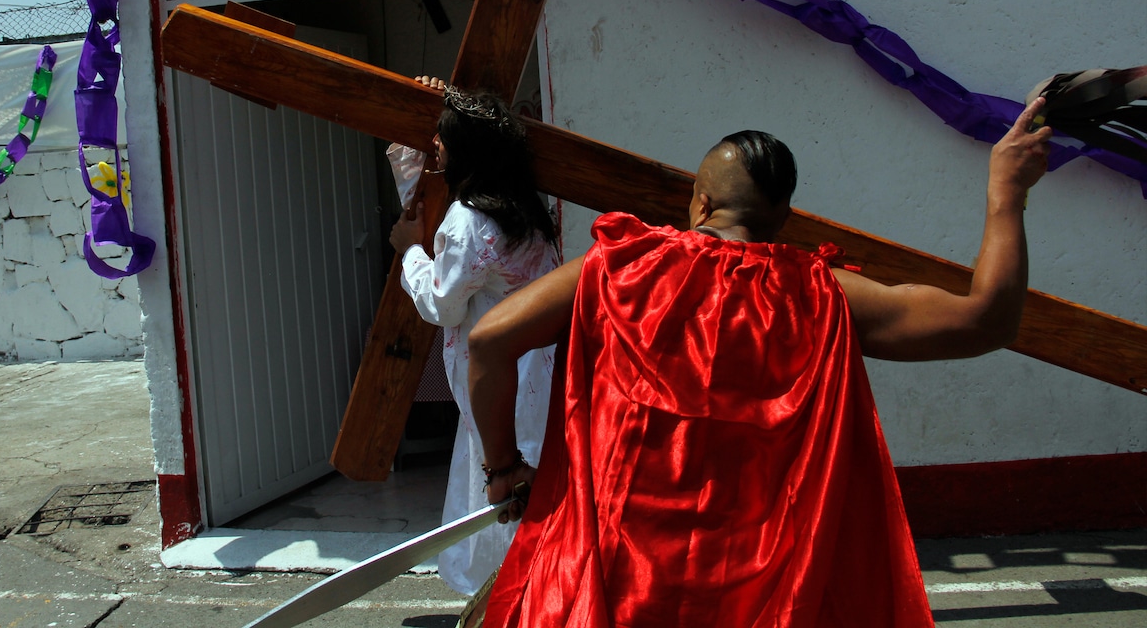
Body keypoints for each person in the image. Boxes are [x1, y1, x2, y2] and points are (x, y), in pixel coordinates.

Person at [466, 97, 1054, 627]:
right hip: (764, 586)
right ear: (783, 219)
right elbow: (987, 321)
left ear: (701, 203)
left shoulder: (622, 267)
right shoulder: (823, 294)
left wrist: (503, 468)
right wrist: (1007, 194)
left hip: (618, 576)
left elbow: (489, 340)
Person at [389, 76, 560, 596]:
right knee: (527, 474)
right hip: (539, 368)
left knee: (503, 488)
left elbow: (442, 304)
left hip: (496, 378)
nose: (435, 143)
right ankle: (528, 591)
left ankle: (506, 596)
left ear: (466, 148)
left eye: (442, 135)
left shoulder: (466, 220)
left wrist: (409, 251)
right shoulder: (527, 208)